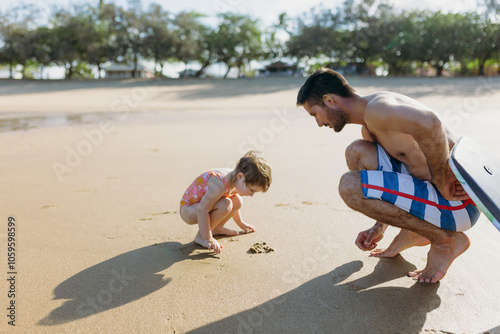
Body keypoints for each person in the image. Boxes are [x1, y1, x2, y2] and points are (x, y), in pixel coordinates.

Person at [296, 68, 480, 283]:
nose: (319, 123)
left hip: (457, 204)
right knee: (357, 151)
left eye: (315, 114)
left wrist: (441, 180)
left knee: (350, 185)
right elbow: (386, 180)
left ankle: (444, 240)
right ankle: (418, 230)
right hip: (436, 196)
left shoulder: (378, 109)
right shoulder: (371, 121)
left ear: (329, 100)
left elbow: (432, 122)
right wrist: (379, 226)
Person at [179, 151, 272, 254]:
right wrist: (207, 238)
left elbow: (234, 201)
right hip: (188, 210)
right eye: (251, 190)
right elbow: (202, 209)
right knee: (226, 204)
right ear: (240, 177)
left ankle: (215, 228)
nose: (251, 195)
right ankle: (201, 236)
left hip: (200, 208)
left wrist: (240, 223)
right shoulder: (220, 184)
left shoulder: (236, 179)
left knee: (237, 200)